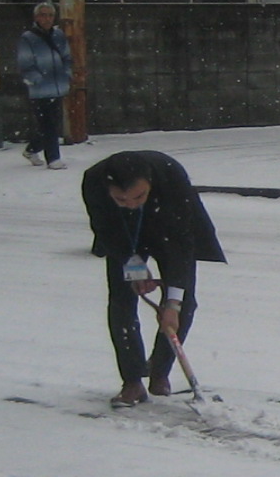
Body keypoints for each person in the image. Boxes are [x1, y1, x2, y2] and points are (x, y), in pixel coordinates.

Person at [80, 150, 225, 408]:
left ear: (149, 183)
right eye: (121, 199)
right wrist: (133, 268)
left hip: (171, 231)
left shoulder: (171, 176)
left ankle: (160, 371)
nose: (132, 203)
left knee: (184, 303)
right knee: (121, 300)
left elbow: (181, 244)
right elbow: (106, 229)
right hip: (123, 234)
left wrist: (173, 304)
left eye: (138, 196)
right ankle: (132, 381)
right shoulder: (94, 181)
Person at [15, 4, 72, 171]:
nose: (46, 19)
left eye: (49, 15)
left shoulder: (59, 35)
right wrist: (36, 79)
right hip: (40, 89)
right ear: (36, 18)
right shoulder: (28, 38)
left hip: (58, 86)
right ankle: (53, 158)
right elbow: (25, 63)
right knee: (49, 124)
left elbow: (67, 56)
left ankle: (32, 149)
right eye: (43, 15)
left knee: (50, 124)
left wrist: (66, 73)